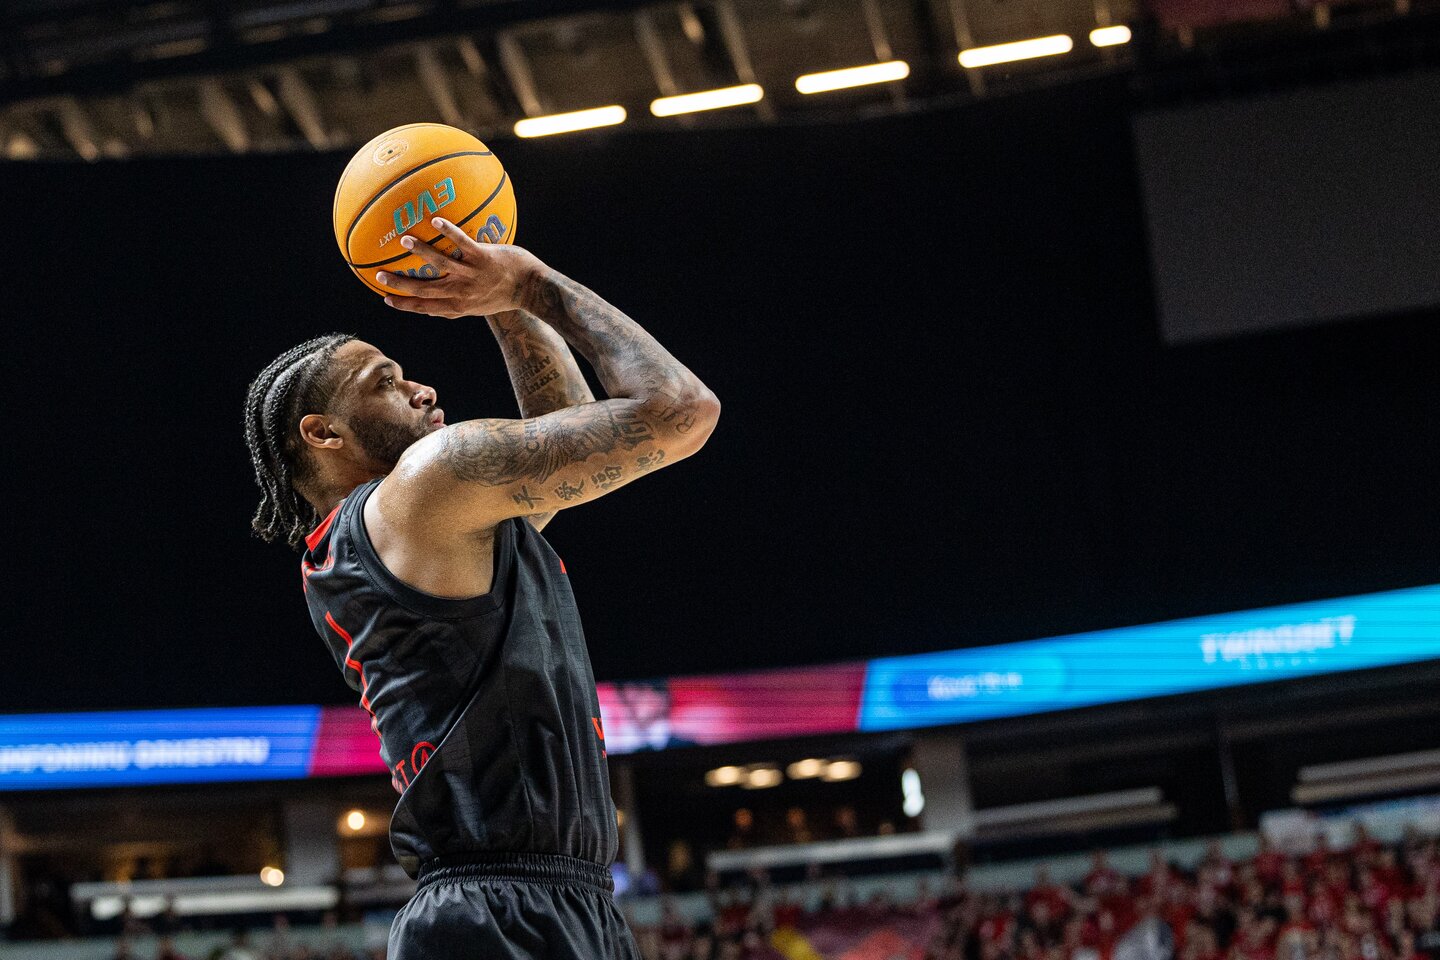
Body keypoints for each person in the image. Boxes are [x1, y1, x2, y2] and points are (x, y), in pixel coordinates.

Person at [243, 218, 721, 959]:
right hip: (495, 913)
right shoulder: (424, 487)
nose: (422, 388)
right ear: (324, 433)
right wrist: (528, 284)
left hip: (549, 901)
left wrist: (494, 297)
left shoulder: (413, 527)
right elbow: (682, 411)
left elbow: (562, 429)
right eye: (387, 384)